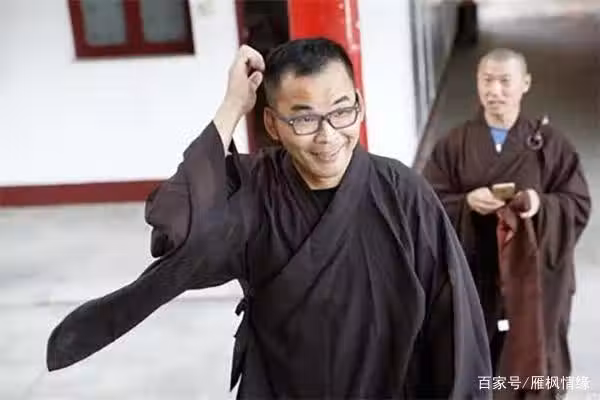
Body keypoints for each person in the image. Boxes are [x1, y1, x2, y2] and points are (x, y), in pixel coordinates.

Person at [46, 38, 491, 399]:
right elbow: (177, 228)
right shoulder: (255, 186)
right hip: (281, 386)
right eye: (304, 120)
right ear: (273, 125)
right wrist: (231, 107)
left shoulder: (402, 192)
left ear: (359, 103)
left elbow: (453, 319)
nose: (328, 136)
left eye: (342, 111)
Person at [423, 48, 591, 399]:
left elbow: (577, 203)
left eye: (504, 81)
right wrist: (466, 203)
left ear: (525, 84)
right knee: (475, 353)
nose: (494, 90)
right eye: (487, 80)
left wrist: (540, 205)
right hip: (476, 271)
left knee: (534, 349)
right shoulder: (454, 145)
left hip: (533, 274)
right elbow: (426, 203)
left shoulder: (551, 145)